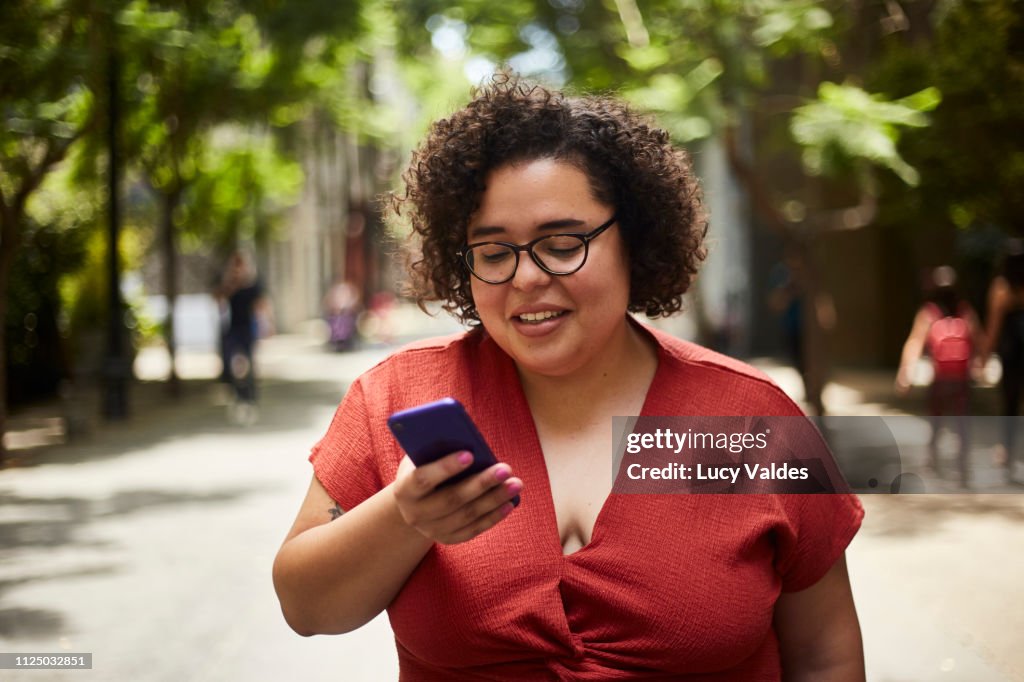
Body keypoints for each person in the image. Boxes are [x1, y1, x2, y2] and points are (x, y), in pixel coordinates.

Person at [273, 74, 865, 680]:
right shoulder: (399, 395)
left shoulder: (752, 419)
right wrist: (403, 517)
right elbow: (306, 606)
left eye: (561, 243)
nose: (526, 278)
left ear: (633, 239)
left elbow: (825, 655)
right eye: (495, 252)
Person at [895, 266, 982, 487]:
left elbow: (915, 341)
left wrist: (905, 372)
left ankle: (934, 461)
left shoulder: (929, 313)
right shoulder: (965, 311)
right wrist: (982, 360)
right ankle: (961, 467)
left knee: (936, 421)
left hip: (941, 379)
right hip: (961, 379)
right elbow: (979, 338)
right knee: (961, 424)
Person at [981, 241, 1024, 484]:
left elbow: (994, 326)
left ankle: (1008, 453)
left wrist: (985, 355)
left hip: (1011, 355)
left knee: (1010, 405)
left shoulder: (1002, 288)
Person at [217, 250, 272, 423]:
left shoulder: (252, 286)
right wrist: (230, 283)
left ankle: (250, 398)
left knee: (248, 365)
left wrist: (267, 324)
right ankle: (239, 396)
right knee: (235, 365)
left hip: (247, 330)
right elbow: (218, 298)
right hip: (233, 329)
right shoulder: (230, 285)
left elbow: (261, 305)